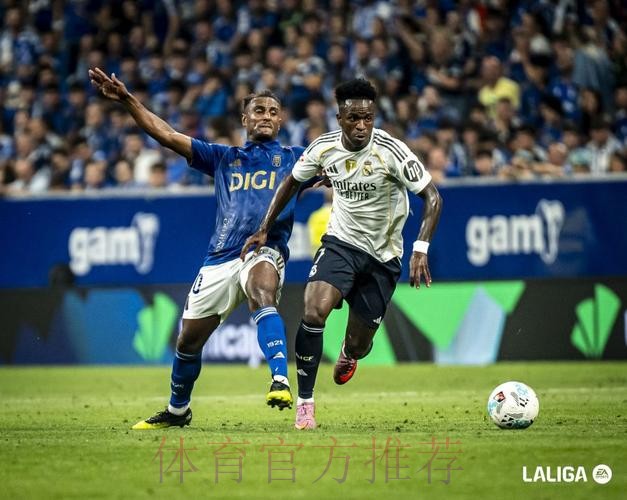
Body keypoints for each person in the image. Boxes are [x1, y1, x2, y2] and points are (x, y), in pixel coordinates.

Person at [89, 67, 305, 429]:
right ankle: (178, 411)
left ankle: (280, 380)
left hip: (264, 248)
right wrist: (127, 99)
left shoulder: (296, 157)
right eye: (258, 110)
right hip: (219, 258)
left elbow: (337, 164)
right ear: (244, 119)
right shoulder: (223, 157)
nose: (266, 116)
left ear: (281, 120)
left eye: (272, 112)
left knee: (261, 290)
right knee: (188, 342)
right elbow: (166, 135)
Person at [242, 78, 443, 430]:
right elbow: (291, 181)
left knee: (359, 343)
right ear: (340, 119)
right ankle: (305, 404)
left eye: (368, 118)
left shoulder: (392, 151)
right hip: (341, 244)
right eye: (354, 119)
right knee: (313, 310)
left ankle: (350, 353)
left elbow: (433, 197)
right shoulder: (324, 148)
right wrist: (263, 227)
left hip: (383, 257)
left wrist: (420, 248)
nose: (362, 126)